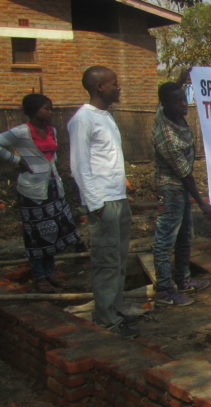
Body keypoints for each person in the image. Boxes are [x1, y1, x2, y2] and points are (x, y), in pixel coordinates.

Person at [68, 66, 136, 337]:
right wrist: (95, 203)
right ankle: (106, 320)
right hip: (103, 202)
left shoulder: (105, 116)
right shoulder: (83, 119)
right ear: (100, 87)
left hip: (118, 197)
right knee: (106, 262)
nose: (118, 87)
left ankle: (115, 310)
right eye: (114, 83)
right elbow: (78, 164)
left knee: (118, 260)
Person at [0, 94, 81, 293]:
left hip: (53, 187)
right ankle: (39, 276)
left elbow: (51, 157)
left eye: (51, 108)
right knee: (36, 234)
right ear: (34, 111)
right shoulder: (21, 132)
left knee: (51, 231)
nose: (50, 112)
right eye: (47, 108)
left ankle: (50, 272)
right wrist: (16, 160)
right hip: (32, 191)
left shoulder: (52, 131)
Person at [152, 82, 211, 306]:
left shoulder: (173, 116)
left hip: (181, 188)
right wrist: (201, 202)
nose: (183, 104)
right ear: (165, 104)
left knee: (184, 237)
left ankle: (183, 280)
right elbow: (185, 173)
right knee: (166, 239)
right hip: (171, 189)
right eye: (177, 101)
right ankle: (164, 290)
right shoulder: (166, 134)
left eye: (183, 99)